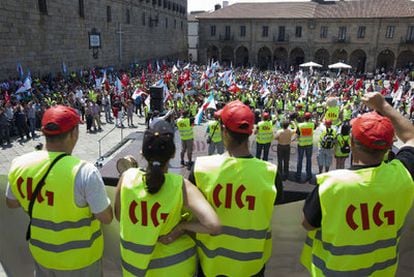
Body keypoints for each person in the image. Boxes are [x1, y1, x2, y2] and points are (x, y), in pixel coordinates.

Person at [301, 92, 414, 276]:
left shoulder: (331, 184)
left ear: (351, 144)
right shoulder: (403, 175)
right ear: (388, 147)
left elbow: (308, 224)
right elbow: (411, 136)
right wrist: (384, 106)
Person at [6, 105, 113, 275]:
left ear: (43, 132)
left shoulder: (19, 164)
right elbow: (106, 217)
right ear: (74, 133)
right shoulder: (84, 172)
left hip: (42, 256)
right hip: (80, 261)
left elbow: (11, 203)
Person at [189, 100, 284, 277]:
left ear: (224, 131)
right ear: (250, 133)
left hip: (210, 264)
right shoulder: (271, 173)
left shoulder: (201, 168)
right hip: (252, 266)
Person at [114, 119, 220, 276]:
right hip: (176, 268)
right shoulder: (181, 185)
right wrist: (181, 227)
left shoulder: (127, 177)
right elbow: (213, 225)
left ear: (142, 153)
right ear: (173, 153)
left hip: (134, 269)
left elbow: (118, 215)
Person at [296, 112, 317, 183]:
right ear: (310, 118)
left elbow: (297, 135)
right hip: (309, 144)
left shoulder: (300, 125)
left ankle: (298, 175)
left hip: (301, 144)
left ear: (304, 118)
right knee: (309, 159)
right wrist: (316, 117)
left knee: (300, 160)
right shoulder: (312, 125)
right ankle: (309, 175)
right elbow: (317, 125)